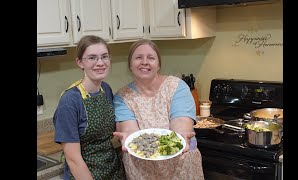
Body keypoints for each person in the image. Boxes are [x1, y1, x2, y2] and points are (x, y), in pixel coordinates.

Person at [113, 39, 204, 180]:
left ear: (158, 64)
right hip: (142, 171)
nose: (144, 62)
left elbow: (180, 122)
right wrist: (129, 138)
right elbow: (130, 130)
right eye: (138, 57)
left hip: (181, 167)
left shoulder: (177, 87)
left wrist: (180, 138)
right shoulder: (122, 97)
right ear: (130, 65)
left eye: (151, 58)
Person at [53, 35, 125, 180]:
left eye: (104, 56)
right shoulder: (70, 101)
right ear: (80, 62)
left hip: (113, 169)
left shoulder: (106, 89)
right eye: (92, 58)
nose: (100, 63)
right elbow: (73, 160)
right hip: (86, 174)